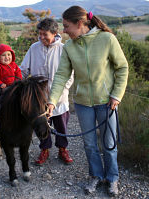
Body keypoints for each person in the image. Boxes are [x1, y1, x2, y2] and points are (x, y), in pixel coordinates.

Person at [48, 6, 128, 196]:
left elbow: (122, 68)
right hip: (83, 103)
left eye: (67, 26)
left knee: (109, 143)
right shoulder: (69, 47)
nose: (64, 31)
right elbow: (61, 76)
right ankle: (96, 176)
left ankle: (112, 178)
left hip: (107, 102)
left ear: (80, 23)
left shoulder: (107, 39)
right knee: (89, 144)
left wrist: (116, 95)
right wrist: (51, 101)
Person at [20, 18, 74, 165]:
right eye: (40, 34)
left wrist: (61, 93)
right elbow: (24, 70)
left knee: (61, 126)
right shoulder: (34, 48)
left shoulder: (64, 49)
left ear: (55, 33)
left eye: (45, 34)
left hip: (60, 99)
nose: (42, 37)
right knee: (42, 126)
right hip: (39, 100)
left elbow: (70, 76)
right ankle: (45, 150)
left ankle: (63, 149)